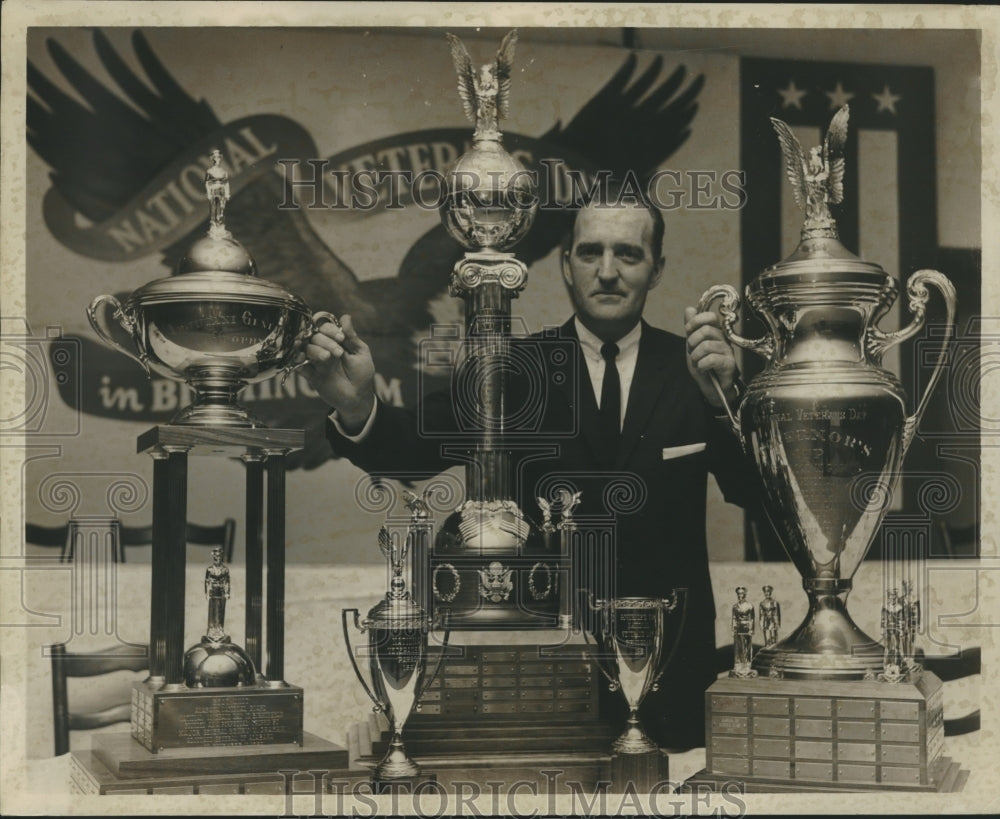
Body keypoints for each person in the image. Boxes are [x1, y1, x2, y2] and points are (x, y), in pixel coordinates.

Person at [304, 190, 755, 749]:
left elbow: (754, 493)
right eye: (590, 253)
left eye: (628, 255)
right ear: (565, 263)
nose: (607, 272)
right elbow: (410, 451)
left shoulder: (700, 371)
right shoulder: (514, 369)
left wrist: (724, 403)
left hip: (668, 680)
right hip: (539, 681)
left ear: (657, 268)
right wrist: (356, 406)